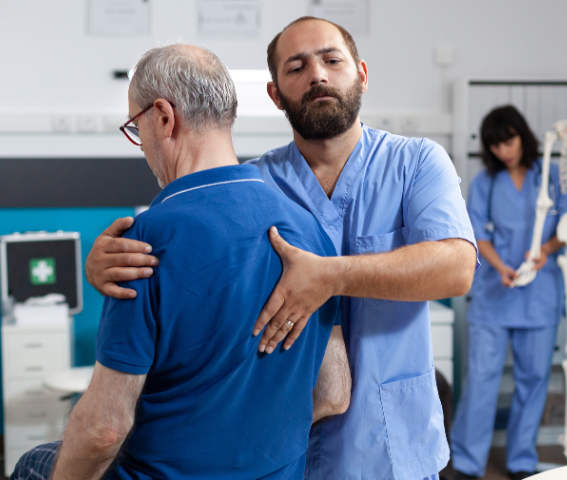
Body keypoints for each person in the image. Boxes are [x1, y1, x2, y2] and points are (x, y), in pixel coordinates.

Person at [86, 17, 478, 480]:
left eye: (332, 60)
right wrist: (105, 264)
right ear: (275, 95)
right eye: (296, 68)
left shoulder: (417, 163)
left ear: (362, 74)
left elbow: (456, 268)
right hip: (283, 451)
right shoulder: (258, 183)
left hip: (389, 441)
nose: (317, 75)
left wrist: (330, 275)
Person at [11, 44, 351, 480]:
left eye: (136, 127)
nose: (141, 145)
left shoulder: (144, 243)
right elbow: (334, 394)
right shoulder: (311, 234)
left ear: (164, 117)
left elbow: (103, 429)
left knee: (32, 464)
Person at [449, 105, 567, 480]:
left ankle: (522, 460)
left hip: (540, 294)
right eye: (496, 145)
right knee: (482, 379)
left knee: (533, 379)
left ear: (522, 135)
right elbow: (476, 232)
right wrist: (501, 266)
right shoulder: (485, 183)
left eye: (509, 141)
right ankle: (467, 463)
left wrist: (544, 253)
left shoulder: (552, 176)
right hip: (495, 291)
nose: (504, 150)